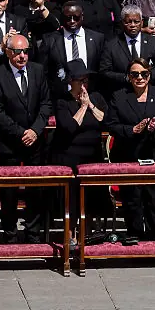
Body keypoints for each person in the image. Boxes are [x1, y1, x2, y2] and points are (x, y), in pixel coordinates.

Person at [0, 33, 52, 243]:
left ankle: (33, 232)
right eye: (17, 52)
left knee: (36, 189)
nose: (22, 56)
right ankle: (10, 233)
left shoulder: (38, 70)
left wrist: (35, 131)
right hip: (10, 143)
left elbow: (46, 104)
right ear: (8, 52)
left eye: (25, 51)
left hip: (35, 141)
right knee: (9, 192)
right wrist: (21, 132)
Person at [107, 57, 155, 244]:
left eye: (144, 74)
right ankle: (134, 243)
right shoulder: (119, 96)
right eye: (135, 74)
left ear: (149, 75)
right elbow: (111, 125)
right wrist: (132, 130)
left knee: (154, 203)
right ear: (129, 77)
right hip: (128, 156)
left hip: (154, 156)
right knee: (132, 203)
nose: (139, 78)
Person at [52, 59, 107, 243]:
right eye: (80, 80)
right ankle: (70, 234)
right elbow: (69, 127)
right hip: (70, 156)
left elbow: (105, 120)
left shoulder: (96, 98)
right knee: (72, 197)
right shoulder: (62, 102)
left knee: (93, 195)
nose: (84, 84)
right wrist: (83, 107)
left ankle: (89, 232)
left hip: (93, 155)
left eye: (86, 79)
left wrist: (90, 104)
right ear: (71, 81)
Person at [39, 0, 104, 103]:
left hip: (91, 95)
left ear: (82, 16)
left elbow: (101, 69)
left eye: (76, 17)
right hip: (61, 99)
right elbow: (43, 71)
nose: (72, 21)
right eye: (68, 18)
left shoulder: (97, 38)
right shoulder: (50, 40)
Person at [98, 5, 155, 94]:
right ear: (122, 23)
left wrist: (145, 75)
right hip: (123, 93)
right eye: (128, 22)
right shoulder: (111, 45)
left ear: (142, 22)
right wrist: (127, 78)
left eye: (136, 22)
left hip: (149, 92)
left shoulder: (154, 42)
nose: (133, 25)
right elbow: (104, 72)